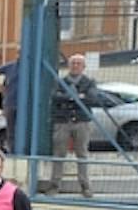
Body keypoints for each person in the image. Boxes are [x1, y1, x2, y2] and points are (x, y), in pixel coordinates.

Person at [40, 53, 99, 197]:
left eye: (79, 63)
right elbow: (55, 97)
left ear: (83, 67)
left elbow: (92, 98)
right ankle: (54, 185)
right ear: (69, 65)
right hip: (62, 122)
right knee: (59, 154)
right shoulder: (60, 82)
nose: (75, 66)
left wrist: (69, 97)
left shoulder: (89, 82)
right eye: (73, 63)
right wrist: (77, 97)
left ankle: (85, 186)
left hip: (82, 122)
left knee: (82, 154)